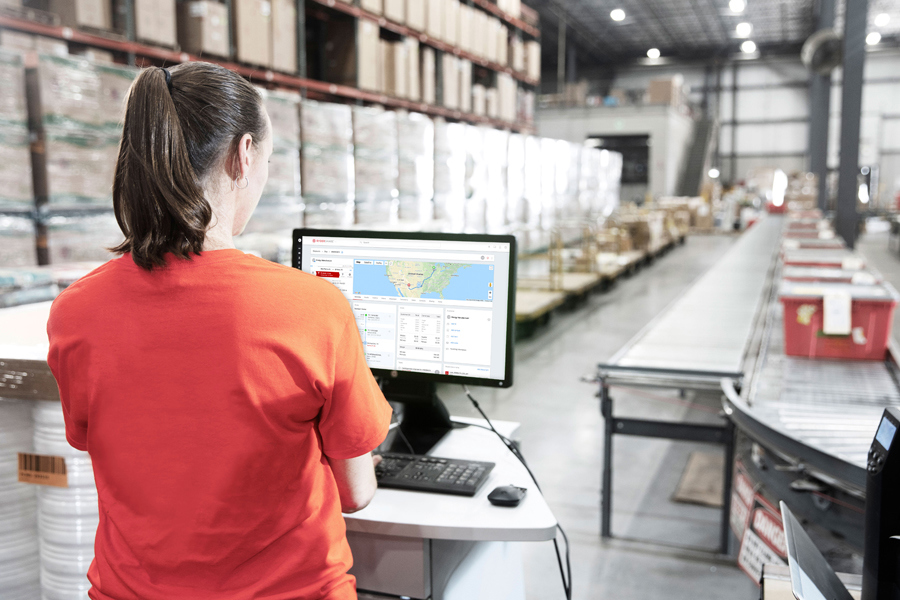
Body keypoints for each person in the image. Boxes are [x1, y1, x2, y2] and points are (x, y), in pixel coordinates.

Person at [46, 62, 392, 600]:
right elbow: (357, 494)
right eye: (269, 160)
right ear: (245, 154)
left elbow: (108, 446)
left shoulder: (75, 312)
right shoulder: (312, 308)